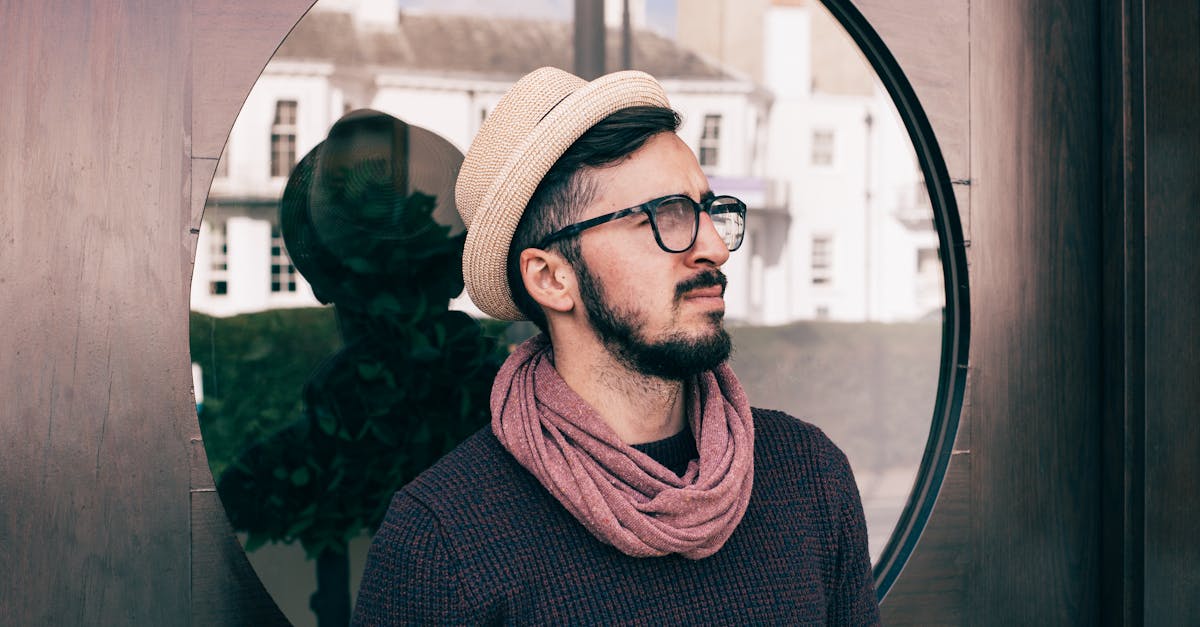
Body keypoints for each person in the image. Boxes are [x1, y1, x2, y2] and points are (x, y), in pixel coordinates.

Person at [352, 67, 880, 625]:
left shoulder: (806, 475)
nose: (714, 249)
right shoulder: (444, 540)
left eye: (707, 211)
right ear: (552, 278)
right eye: (666, 216)